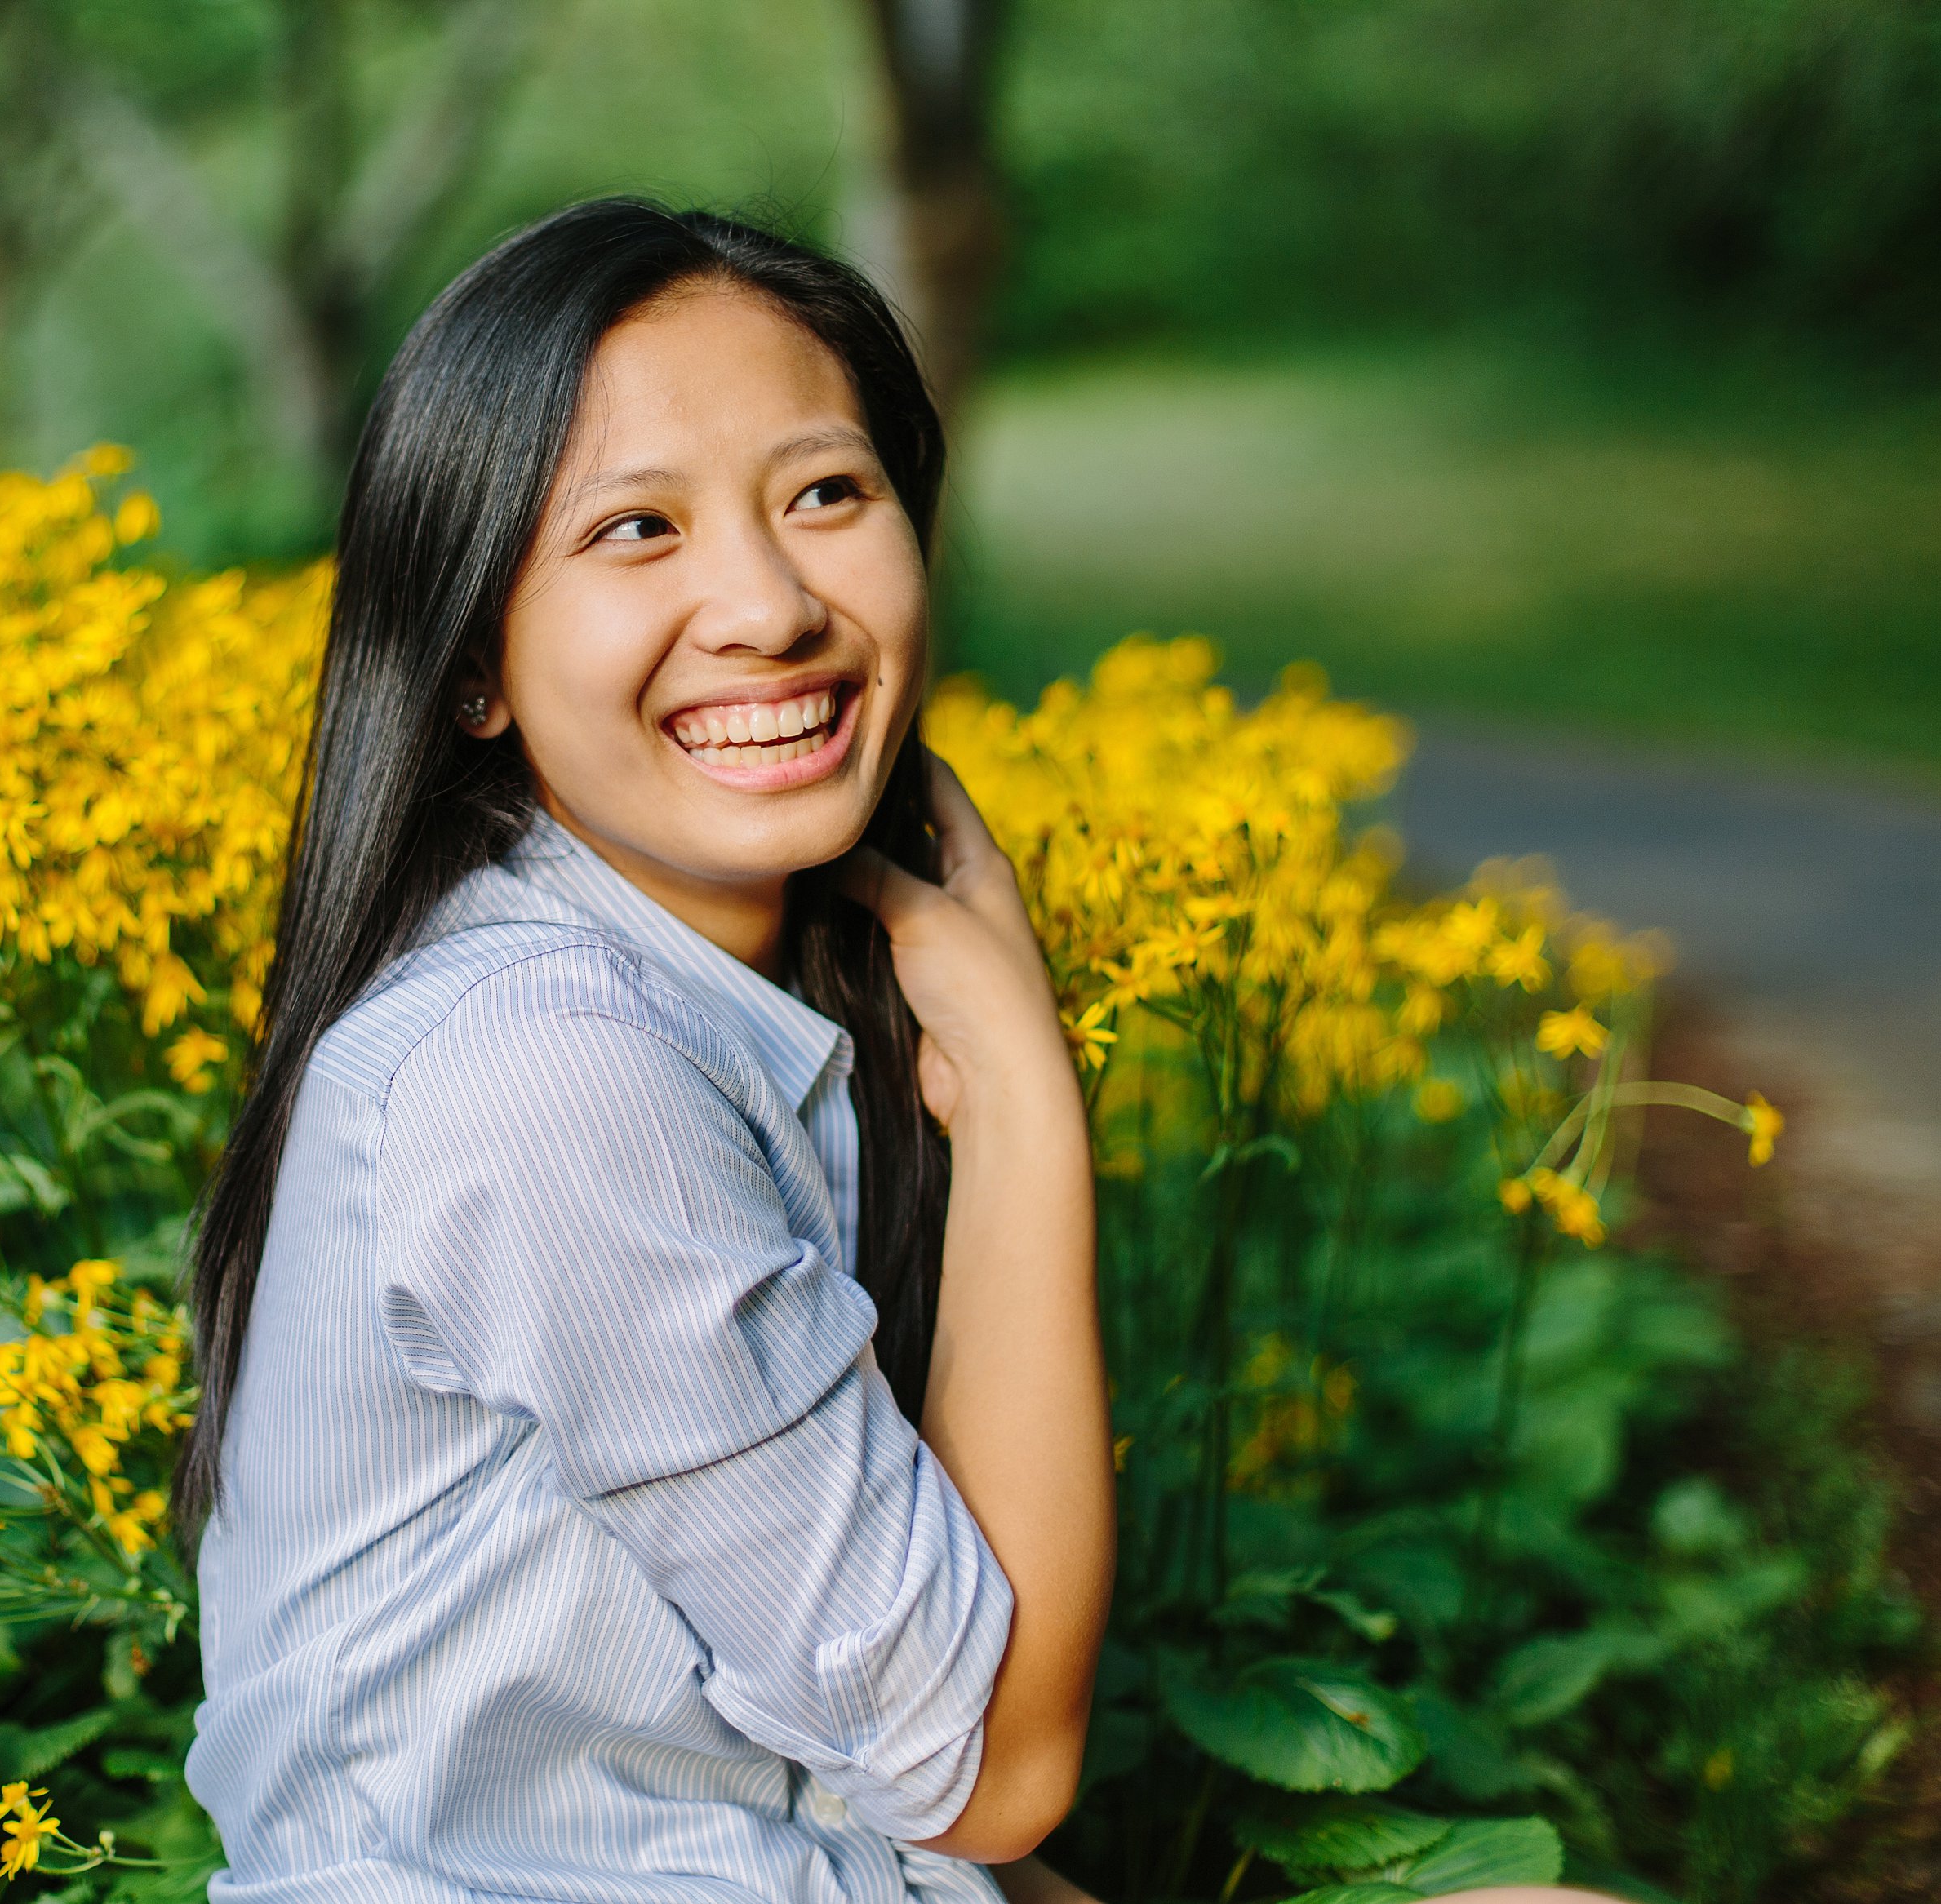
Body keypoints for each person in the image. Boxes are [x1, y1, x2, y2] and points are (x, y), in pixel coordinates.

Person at [176, 198, 1606, 1904]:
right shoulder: (547, 1069)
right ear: (470, 665)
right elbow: (992, 1773)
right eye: (636, 529)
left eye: (826, 495)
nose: (768, 606)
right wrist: (1016, 1098)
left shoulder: (681, 1005)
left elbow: (899, 1807)